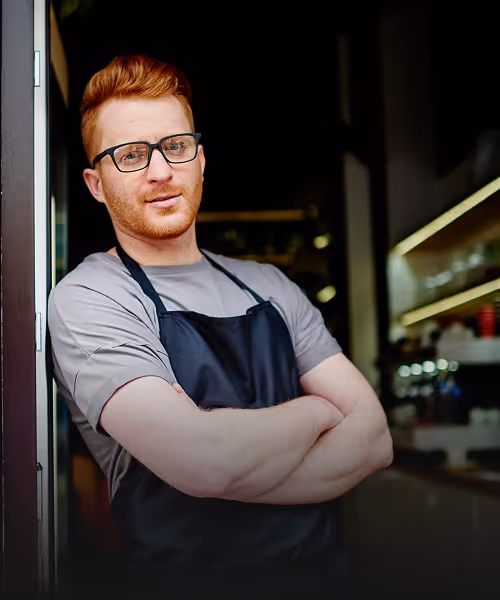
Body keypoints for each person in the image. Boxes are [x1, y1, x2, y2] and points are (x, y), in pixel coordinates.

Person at [48, 54, 393, 599]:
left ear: (200, 160)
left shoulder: (271, 287)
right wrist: (318, 412)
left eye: (176, 147)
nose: (160, 171)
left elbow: (373, 440)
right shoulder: (93, 297)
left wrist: (229, 468)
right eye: (131, 155)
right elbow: (204, 462)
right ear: (95, 183)